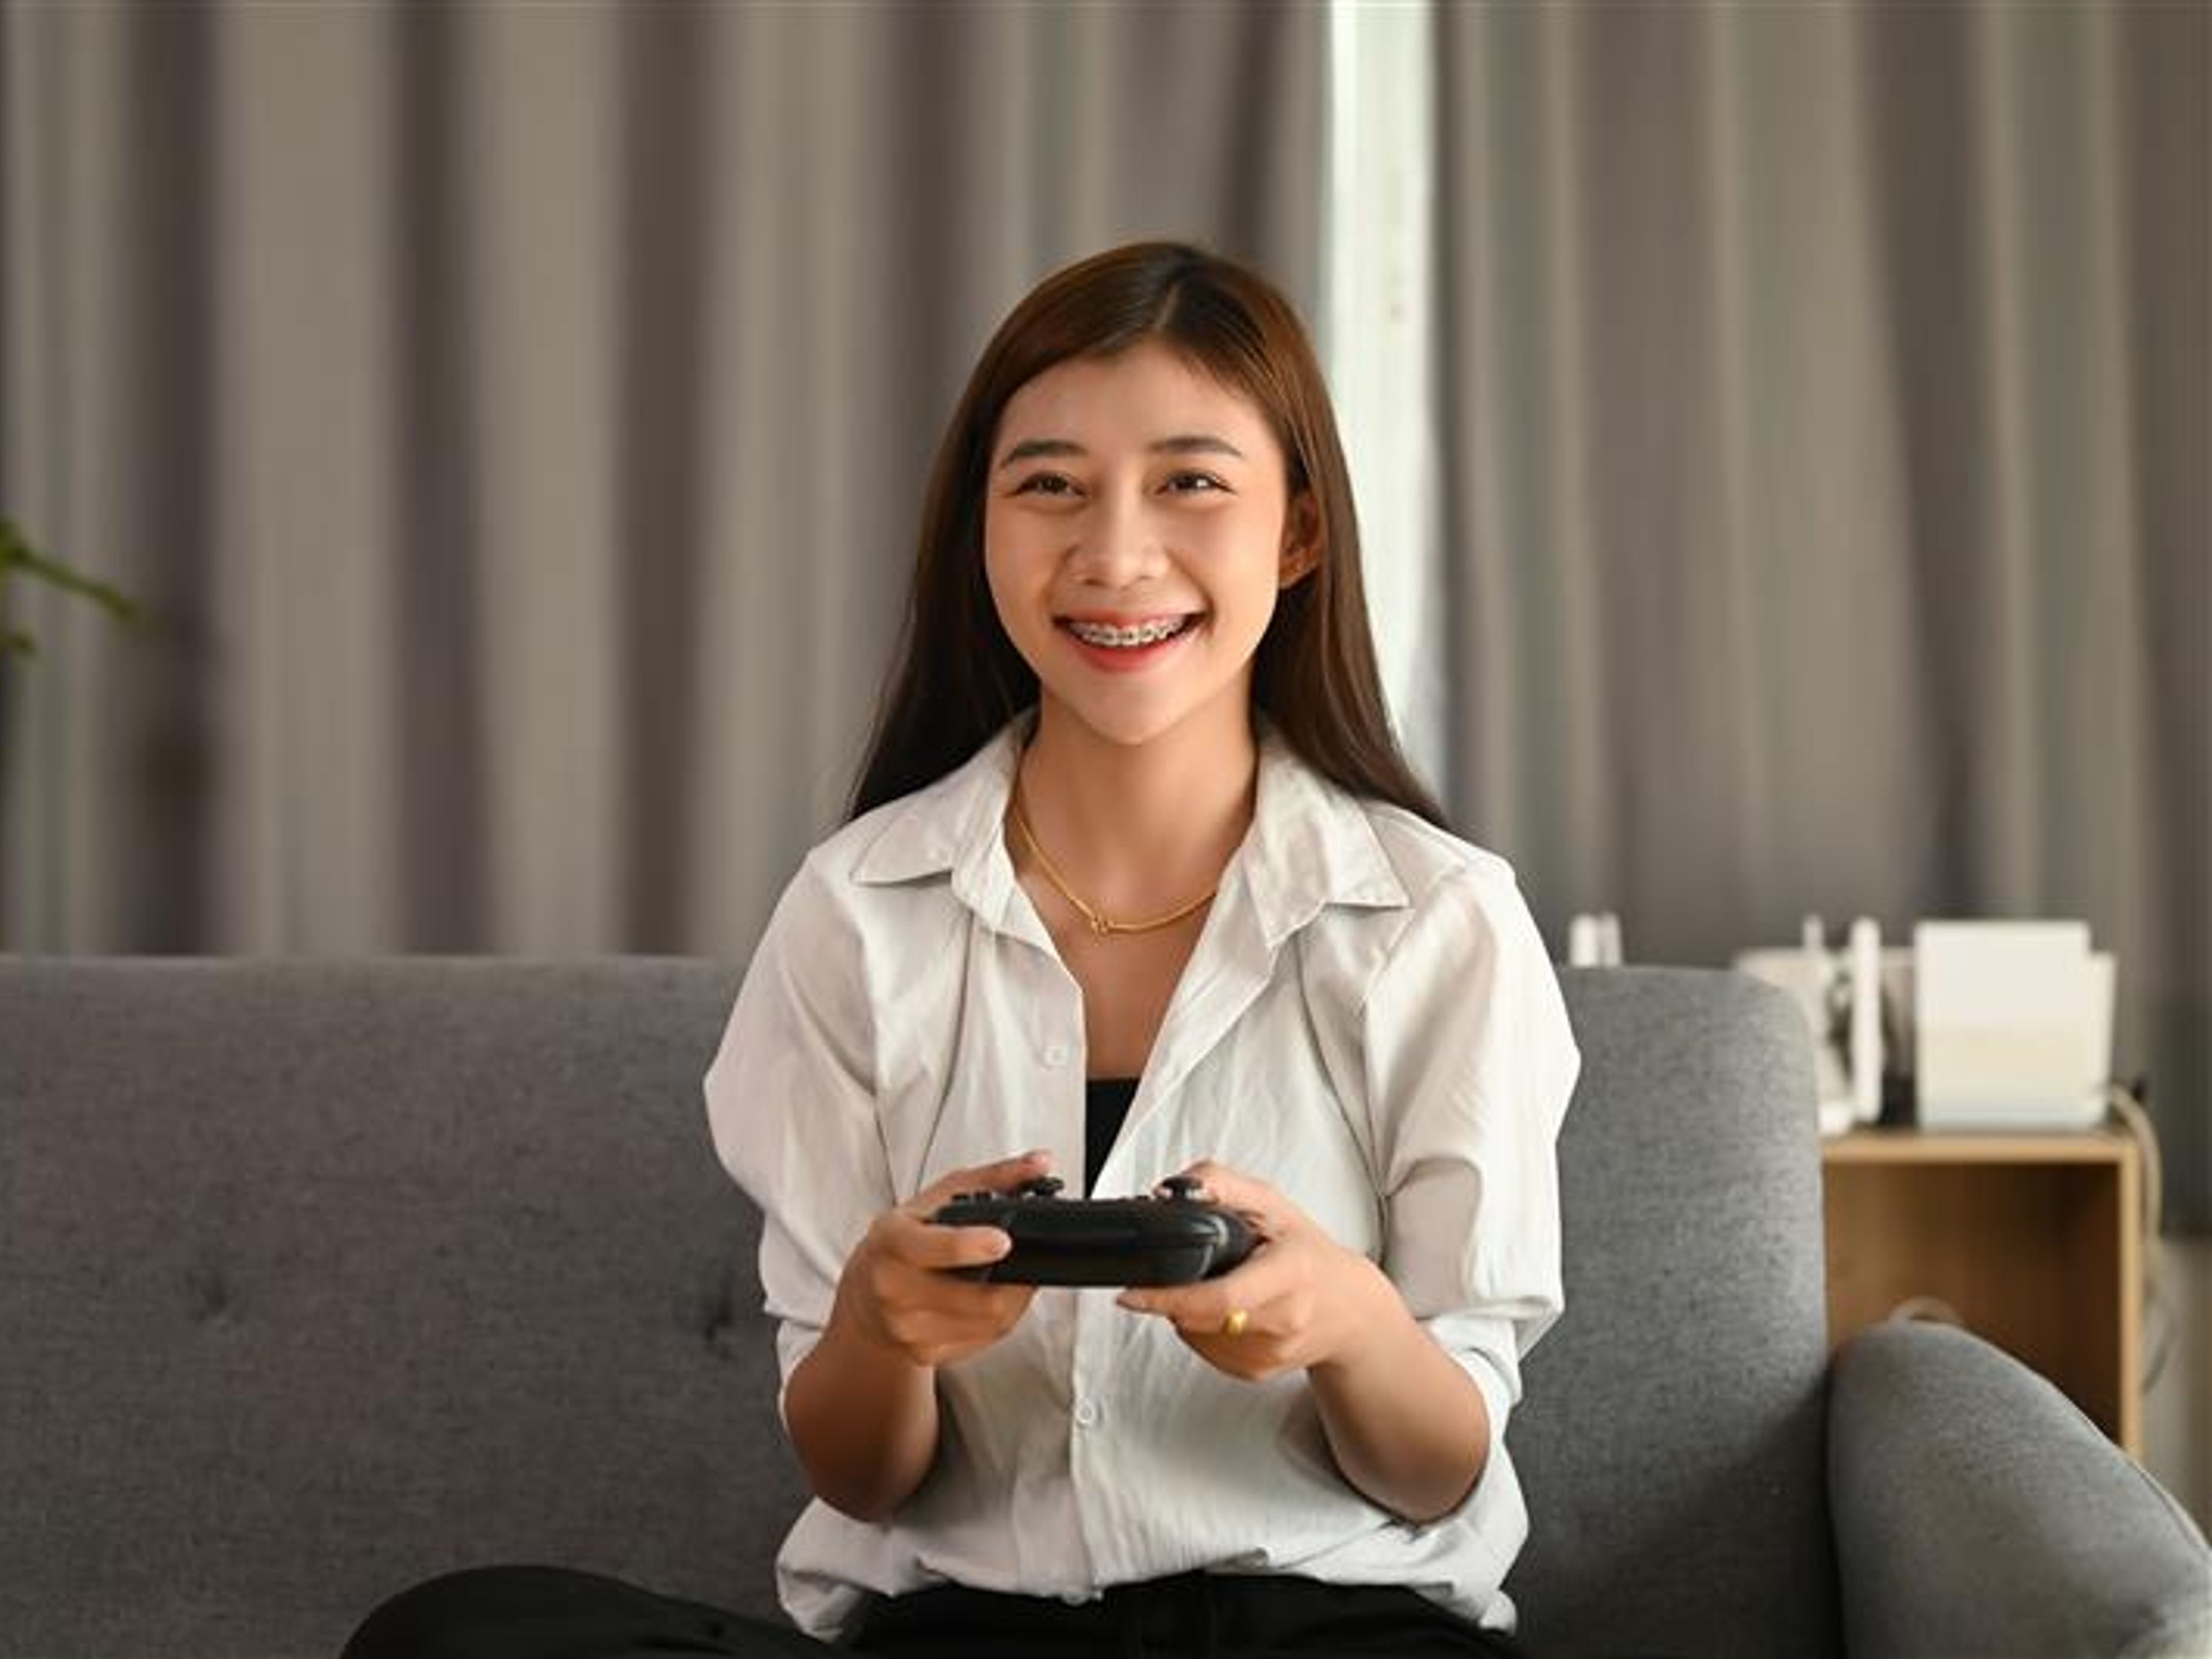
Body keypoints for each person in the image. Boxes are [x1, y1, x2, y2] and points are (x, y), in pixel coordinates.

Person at [343, 241, 1579, 1659]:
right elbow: (860, 1475)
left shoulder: (1438, 918)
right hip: (970, 1634)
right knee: (453, 1637)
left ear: (1297, 533)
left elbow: (1438, 1473)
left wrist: (1350, 1321)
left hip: (1327, 1631)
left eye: (1191, 482)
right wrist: (882, 1325)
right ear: (979, 531)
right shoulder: (856, 909)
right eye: (1048, 484)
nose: (1114, 554)